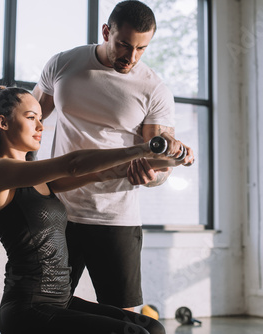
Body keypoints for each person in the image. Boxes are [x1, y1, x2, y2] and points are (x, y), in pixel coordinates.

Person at [0, 86, 192, 333]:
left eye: (41, 118)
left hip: (61, 301)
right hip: (27, 309)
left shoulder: (38, 178)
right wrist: (145, 147)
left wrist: (174, 159)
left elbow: (102, 172)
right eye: (31, 117)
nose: (40, 126)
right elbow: (74, 164)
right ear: (2, 122)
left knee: (153, 328)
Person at [33, 0, 191, 311]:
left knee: (124, 318)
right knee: (46, 310)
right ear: (107, 32)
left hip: (114, 217)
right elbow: (29, 121)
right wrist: (23, 184)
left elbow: (159, 161)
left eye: (141, 49)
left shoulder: (153, 89)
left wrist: (154, 178)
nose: (131, 57)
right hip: (59, 211)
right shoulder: (63, 64)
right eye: (124, 45)